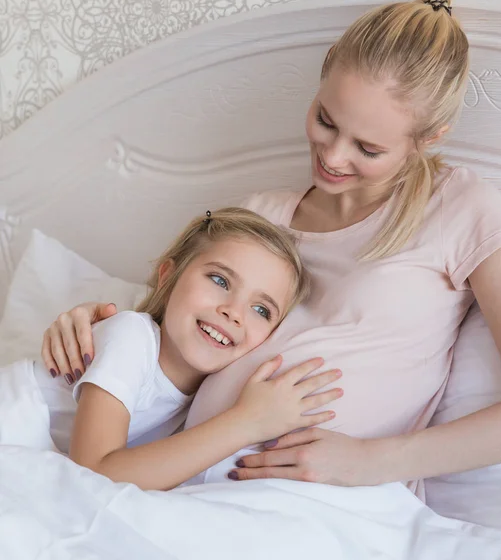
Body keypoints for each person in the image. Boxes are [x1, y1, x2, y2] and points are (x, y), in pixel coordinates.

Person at [42, 0, 501, 499]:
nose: (334, 156)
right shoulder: (259, 217)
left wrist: (374, 460)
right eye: (326, 120)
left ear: (429, 138)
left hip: (332, 505)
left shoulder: (461, 207)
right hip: (195, 494)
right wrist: (96, 325)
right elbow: (167, 349)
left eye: (368, 148)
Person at [32, 207, 343, 490]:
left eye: (261, 310)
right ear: (168, 277)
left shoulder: (201, 401)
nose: (233, 312)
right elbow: (92, 476)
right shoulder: (131, 336)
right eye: (220, 280)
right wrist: (246, 422)